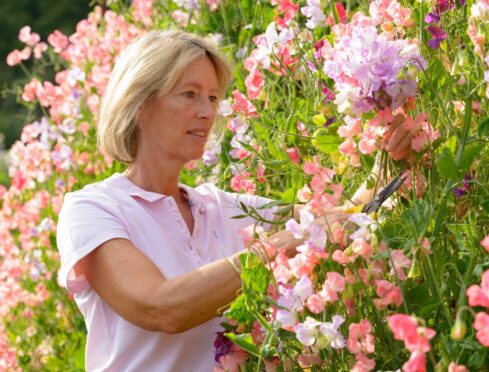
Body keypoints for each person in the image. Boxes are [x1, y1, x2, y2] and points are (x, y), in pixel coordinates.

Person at [56, 30, 412, 371]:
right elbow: (160, 308)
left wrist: (391, 159)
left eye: (212, 97)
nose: (208, 112)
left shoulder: (219, 205)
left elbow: (339, 219)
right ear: (140, 104)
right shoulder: (92, 209)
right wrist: (274, 249)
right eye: (189, 94)